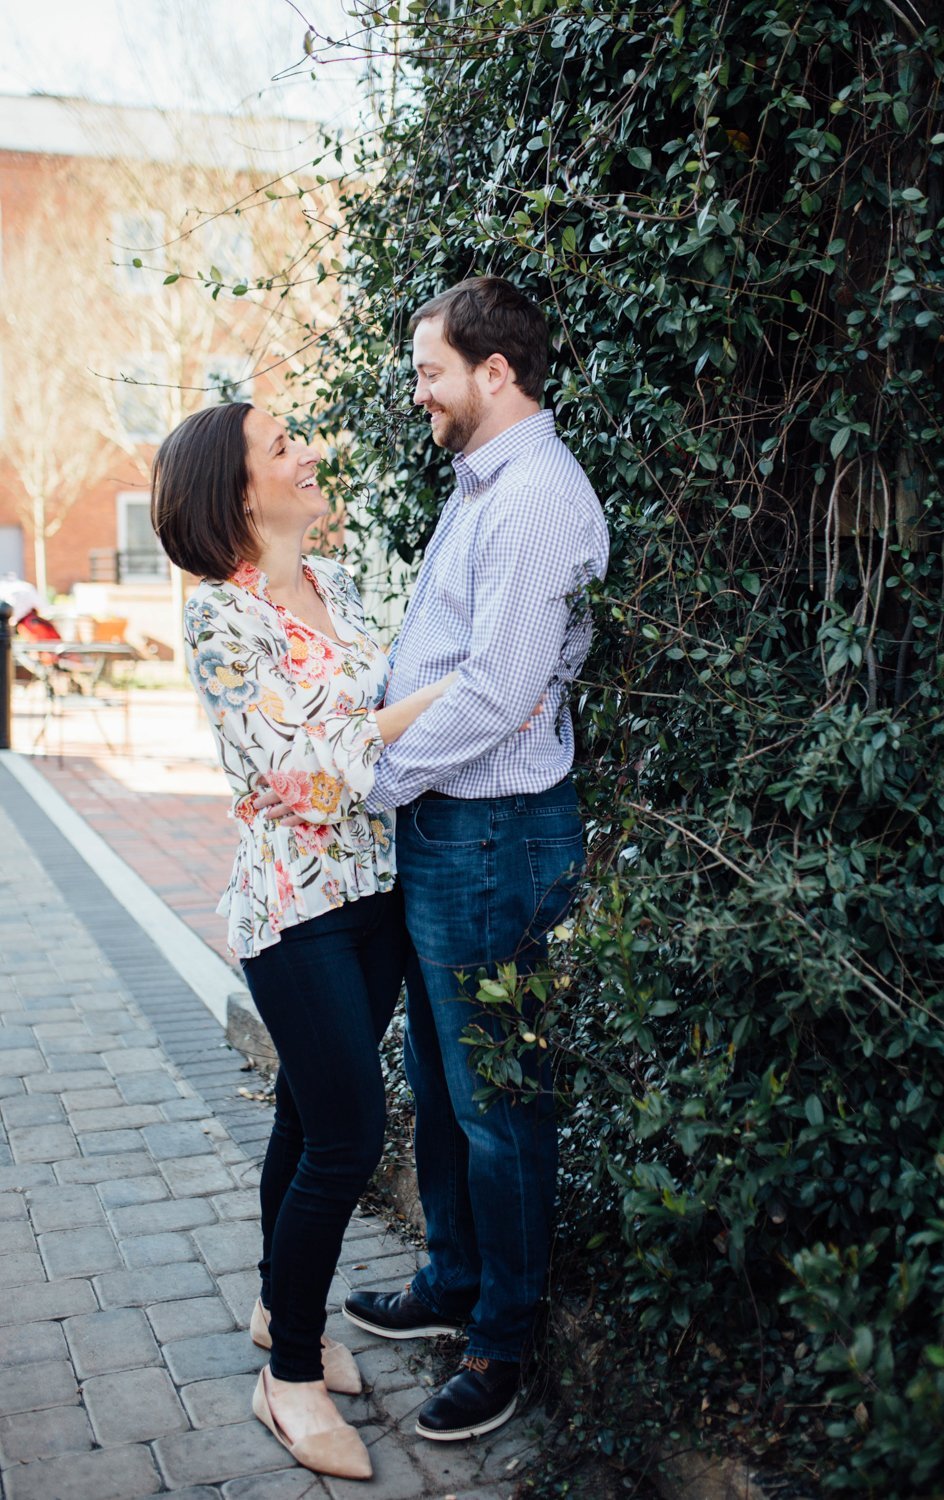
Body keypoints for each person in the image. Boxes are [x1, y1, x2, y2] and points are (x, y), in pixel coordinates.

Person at [259, 276, 609, 1441]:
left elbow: (501, 690)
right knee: (454, 1090)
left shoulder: (534, 500)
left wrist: (374, 774)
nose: (417, 391)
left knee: (501, 1101)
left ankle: (502, 1339)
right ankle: (452, 1280)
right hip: (451, 825)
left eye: (429, 371)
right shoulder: (482, 487)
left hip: (490, 830)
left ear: (493, 373)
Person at [150, 400, 457, 1480]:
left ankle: (278, 1310)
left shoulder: (342, 587)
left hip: (376, 897)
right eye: (283, 445)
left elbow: (351, 743)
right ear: (238, 493)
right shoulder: (218, 619)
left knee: (304, 1111)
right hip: (293, 913)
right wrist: (439, 706)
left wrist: (399, 720)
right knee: (346, 1134)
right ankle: (287, 1376)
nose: (309, 452)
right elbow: (298, 772)